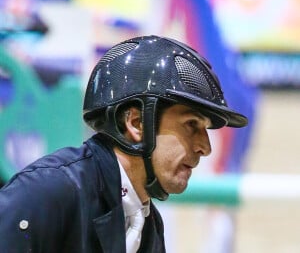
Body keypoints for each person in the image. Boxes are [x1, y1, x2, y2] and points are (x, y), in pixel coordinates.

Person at [0, 35, 247, 252]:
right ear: (137, 123)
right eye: (191, 125)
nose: (205, 147)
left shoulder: (148, 224)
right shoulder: (47, 193)